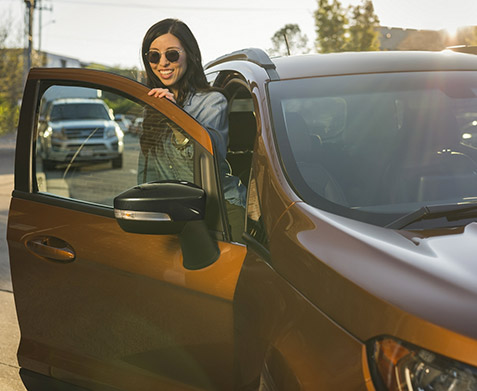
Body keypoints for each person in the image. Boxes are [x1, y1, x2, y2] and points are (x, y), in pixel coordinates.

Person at [138, 18, 246, 242]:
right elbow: (147, 168)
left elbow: (210, 158)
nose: (163, 63)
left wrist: (175, 117)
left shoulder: (212, 101)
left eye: (172, 54)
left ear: (190, 55)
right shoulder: (152, 105)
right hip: (173, 213)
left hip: (220, 212)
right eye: (154, 56)